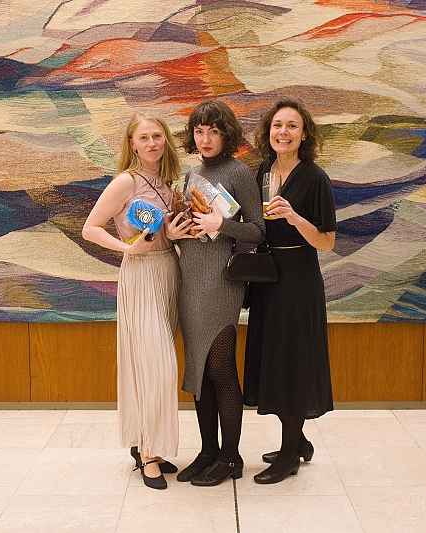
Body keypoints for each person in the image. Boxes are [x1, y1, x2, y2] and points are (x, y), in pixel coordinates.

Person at [81, 112, 182, 490]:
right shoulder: (125, 182)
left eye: (157, 136)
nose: (152, 143)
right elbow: (90, 228)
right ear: (132, 145)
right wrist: (127, 248)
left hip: (169, 271)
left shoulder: (167, 184)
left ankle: (146, 442)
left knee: (150, 366)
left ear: (165, 140)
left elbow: (165, 234)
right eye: (144, 138)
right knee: (158, 367)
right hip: (140, 275)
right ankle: (148, 454)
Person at [167, 100, 265, 486]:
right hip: (190, 280)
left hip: (222, 283)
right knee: (199, 370)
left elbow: (257, 231)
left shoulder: (239, 172)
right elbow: (191, 228)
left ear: (227, 134)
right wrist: (176, 228)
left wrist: (221, 223)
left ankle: (230, 456)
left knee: (221, 367)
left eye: (214, 131)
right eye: (199, 131)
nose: (205, 139)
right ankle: (208, 451)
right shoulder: (192, 174)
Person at [243, 97, 337, 484]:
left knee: (293, 362)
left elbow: (327, 242)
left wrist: (295, 217)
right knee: (275, 359)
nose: (284, 132)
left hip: (298, 279)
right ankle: (299, 442)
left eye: (292, 126)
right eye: (277, 125)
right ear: (268, 132)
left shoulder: (315, 178)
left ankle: (288, 457)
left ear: (304, 134)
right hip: (268, 277)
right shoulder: (263, 171)